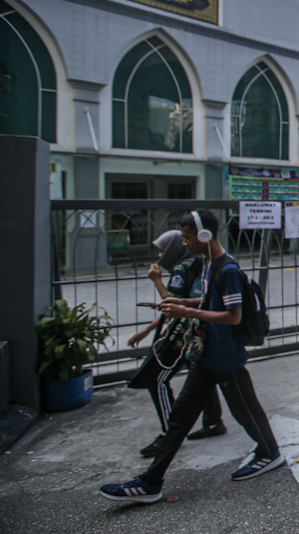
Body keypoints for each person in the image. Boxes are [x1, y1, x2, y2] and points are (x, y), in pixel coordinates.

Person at [100, 210, 282, 504]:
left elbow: (233, 317)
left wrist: (187, 311)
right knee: (180, 420)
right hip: (205, 355)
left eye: (186, 237)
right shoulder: (209, 264)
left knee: (246, 411)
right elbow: (211, 299)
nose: (183, 244)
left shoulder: (228, 270)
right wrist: (184, 301)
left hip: (225, 357)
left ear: (205, 236)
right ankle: (150, 482)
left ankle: (269, 453)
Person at [128, 230, 226, 459]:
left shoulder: (182, 268)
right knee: (201, 374)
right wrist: (147, 330)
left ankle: (169, 433)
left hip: (184, 334)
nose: (160, 255)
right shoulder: (200, 263)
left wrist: (157, 281)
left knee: (157, 379)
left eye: (163, 250)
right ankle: (213, 422)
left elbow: (172, 305)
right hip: (198, 331)